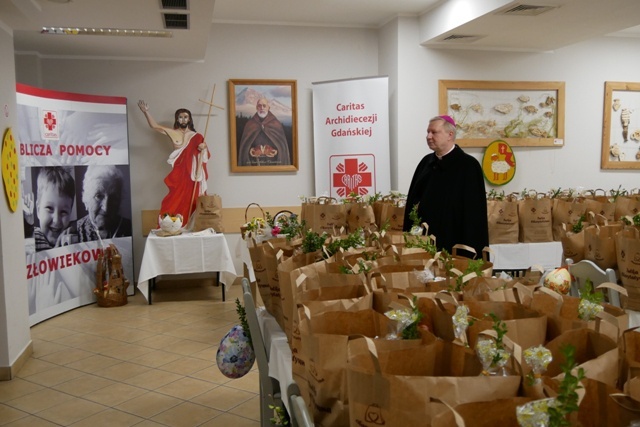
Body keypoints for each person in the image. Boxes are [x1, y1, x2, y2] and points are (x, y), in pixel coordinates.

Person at [403, 115, 489, 258]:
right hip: (425, 239)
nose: (428, 136)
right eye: (427, 132)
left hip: (455, 239)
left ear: (450, 135)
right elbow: (413, 201)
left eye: (434, 132)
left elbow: (473, 214)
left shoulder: (468, 166)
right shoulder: (426, 163)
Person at [138, 100, 209, 222]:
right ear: (177, 119)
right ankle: (173, 223)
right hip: (179, 173)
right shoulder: (172, 132)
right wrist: (146, 112)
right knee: (174, 199)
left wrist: (204, 148)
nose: (183, 120)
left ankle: (191, 224)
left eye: (185, 117)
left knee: (193, 198)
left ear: (190, 119)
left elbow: (204, 156)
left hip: (192, 174)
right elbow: (154, 126)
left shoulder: (197, 136)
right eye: (180, 117)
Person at [76, 165, 132, 241]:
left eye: (113, 197)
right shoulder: (74, 233)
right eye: (98, 196)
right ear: (86, 200)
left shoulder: (131, 228)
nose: (106, 207)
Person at [33, 167, 77, 251]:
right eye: (49, 208)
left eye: (63, 212)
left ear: (70, 213)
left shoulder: (70, 238)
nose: (56, 220)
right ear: (38, 210)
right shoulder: (34, 237)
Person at [237, 97, 291, 166]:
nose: (262, 108)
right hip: (254, 165)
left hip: (273, 165)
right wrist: (252, 151)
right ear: (256, 107)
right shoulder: (250, 124)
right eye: (259, 106)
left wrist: (272, 151)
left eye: (264, 106)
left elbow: (282, 149)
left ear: (268, 108)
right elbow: (244, 150)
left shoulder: (276, 124)